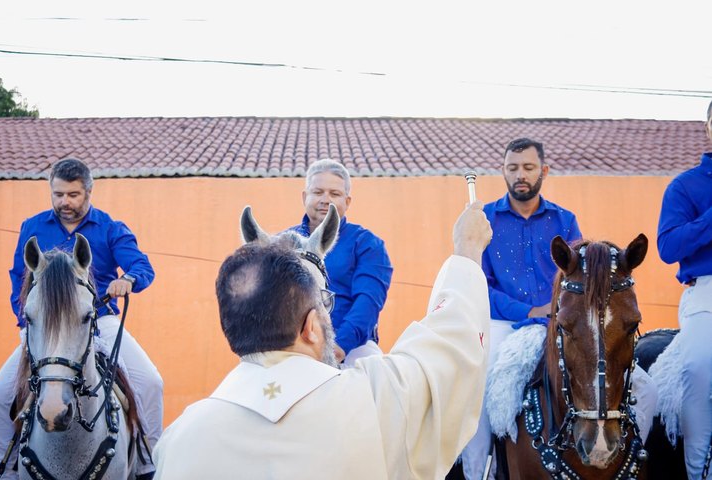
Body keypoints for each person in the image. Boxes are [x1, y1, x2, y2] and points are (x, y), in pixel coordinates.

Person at [153, 201, 493, 479]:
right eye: (324, 305)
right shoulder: (378, 401)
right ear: (312, 327)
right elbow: (452, 344)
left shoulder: (178, 439)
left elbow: (367, 297)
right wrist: (467, 250)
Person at [460, 137, 656, 479]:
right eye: (513, 168)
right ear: (503, 172)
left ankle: (632, 455)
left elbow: (583, 277)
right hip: (503, 322)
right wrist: (528, 310)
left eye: (528, 167)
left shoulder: (564, 220)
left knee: (646, 389)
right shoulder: (485, 220)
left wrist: (557, 313)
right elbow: (479, 282)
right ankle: (479, 471)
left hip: (564, 321)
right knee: (477, 389)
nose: (520, 174)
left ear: (543, 171)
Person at [0, 158, 161, 479]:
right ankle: (8, 469)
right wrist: (28, 325)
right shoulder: (33, 228)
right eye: (58, 194)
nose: (64, 202)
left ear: (89, 193)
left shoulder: (110, 228)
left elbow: (142, 267)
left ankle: (149, 463)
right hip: (45, 328)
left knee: (151, 382)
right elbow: (18, 281)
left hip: (98, 321)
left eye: (73, 195)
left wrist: (129, 280)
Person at [290, 159, 392, 366]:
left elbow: (368, 301)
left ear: (347, 201)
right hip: (290, 349)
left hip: (352, 350)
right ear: (304, 197)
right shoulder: (282, 243)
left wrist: (337, 347)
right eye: (317, 192)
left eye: (334, 194)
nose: (325, 200)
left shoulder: (367, 244)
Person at [657, 100, 712, 479]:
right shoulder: (685, 186)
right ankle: (698, 473)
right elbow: (668, 247)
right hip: (705, 291)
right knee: (698, 369)